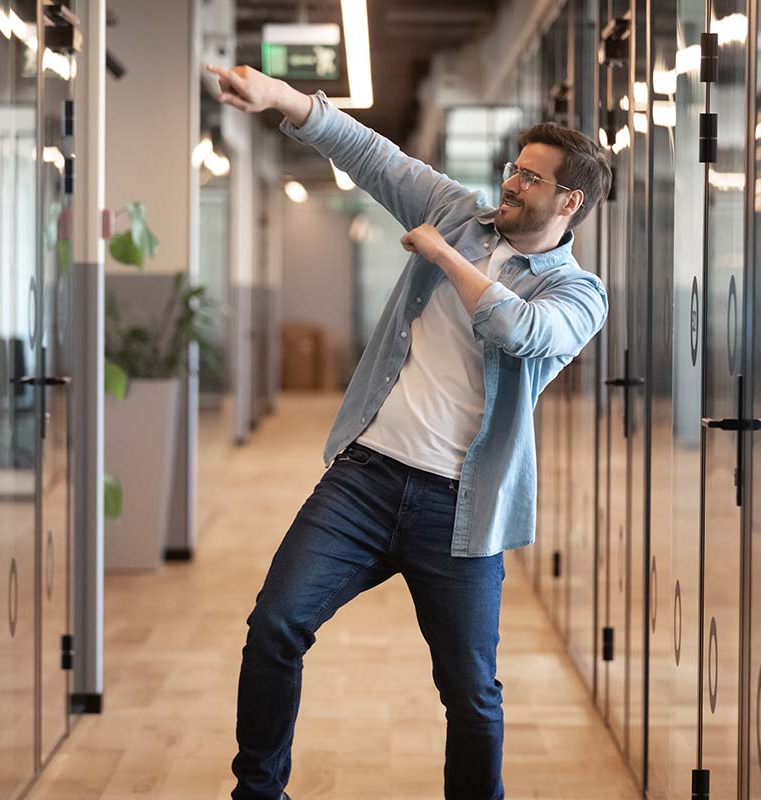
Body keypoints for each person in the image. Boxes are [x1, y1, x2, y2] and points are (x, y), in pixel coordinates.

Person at [205, 64, 612, 800]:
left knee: (471, 693)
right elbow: (371, 153)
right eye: (513, 169)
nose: (511, 183)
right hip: (365, 479)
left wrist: (445, 257)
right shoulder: (457, 210)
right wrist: (279, 99)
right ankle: (257, 792)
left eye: (530, 177)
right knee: (274, 627)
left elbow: (521, 331)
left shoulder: (577, 292)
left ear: (569, 200)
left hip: (460, 510)